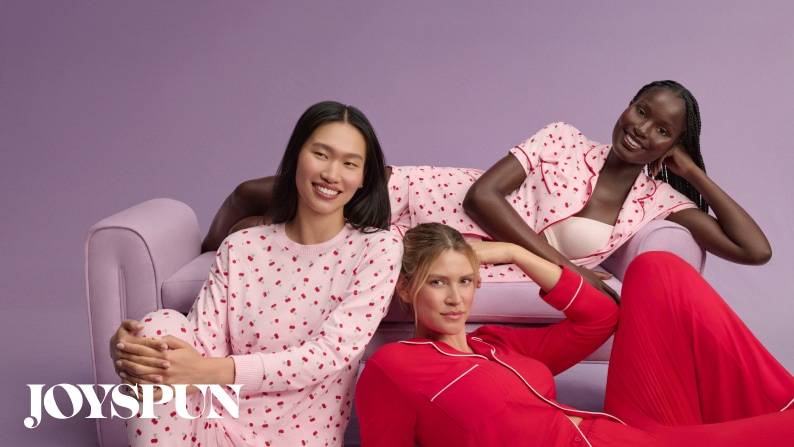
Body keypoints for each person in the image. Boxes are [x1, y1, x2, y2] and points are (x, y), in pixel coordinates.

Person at [203, 81, 770, 300]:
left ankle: (240, 248)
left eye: (662, 129)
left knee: (308, 233)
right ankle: (206, 256)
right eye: (641, 110)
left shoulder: (657, 200)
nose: (641, 129)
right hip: (428, 195)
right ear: (627, 104)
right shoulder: (564, 138)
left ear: (673, 142)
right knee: (257, 193)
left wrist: (692, 174)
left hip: (451, 249)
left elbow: (754, 250)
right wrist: (568, 269)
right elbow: (483, 197)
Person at [108, 101, 403, 446]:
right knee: (157, 327)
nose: (332, 174)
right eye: (321, 155)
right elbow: (203, 341)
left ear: (363, 179)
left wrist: (205, 372)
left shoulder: (377, 249)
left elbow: (330, 354)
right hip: (210, 425)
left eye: (349, 164)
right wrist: (133, 352)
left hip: (297, 437)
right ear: (296, 157)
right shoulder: (242, 246)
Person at [355, 223, 793, 446]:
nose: (455, 298)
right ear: (407, 288)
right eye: (437, 282)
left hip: (623, 433)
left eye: (465, 280)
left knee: (656, 269)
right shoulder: (394, 368)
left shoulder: (497, 345)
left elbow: (599, 316)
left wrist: (515, 252)